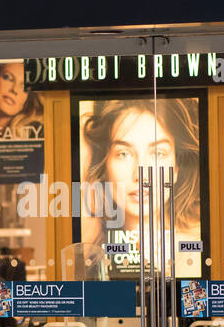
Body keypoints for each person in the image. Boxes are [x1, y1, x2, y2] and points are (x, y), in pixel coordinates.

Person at [79, 98, 202, 275]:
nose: (140, 176)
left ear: (176, 167)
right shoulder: (92, 252)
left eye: (158, 153)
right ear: (104, 165)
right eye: (124, 154)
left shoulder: (196, 254)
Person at [0, 62, 43, 140]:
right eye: (7, 78)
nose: (14, 90)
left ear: (27, 101)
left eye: (24, 87)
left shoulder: (36, 133)